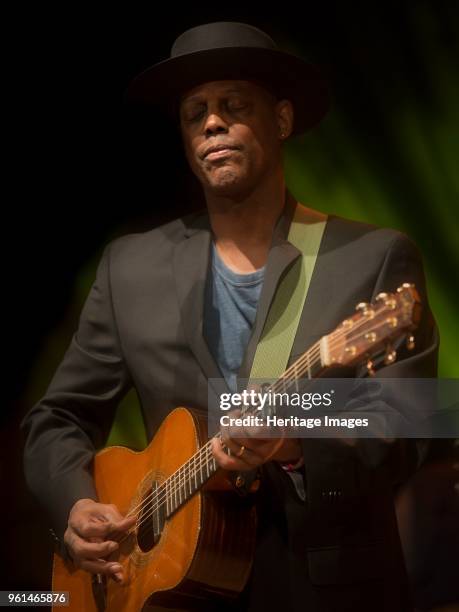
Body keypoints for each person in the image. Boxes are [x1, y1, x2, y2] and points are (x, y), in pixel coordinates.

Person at [20, 21, 439, 612]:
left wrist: (295, 438)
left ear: (283, 120)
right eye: (196, 113)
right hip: (166, 589)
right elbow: (58, 417)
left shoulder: (371, 257)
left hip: (323, 589)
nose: (212, 122)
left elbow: (414, 419)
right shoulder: (130, 267)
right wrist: (75, 505)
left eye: (234, 105)